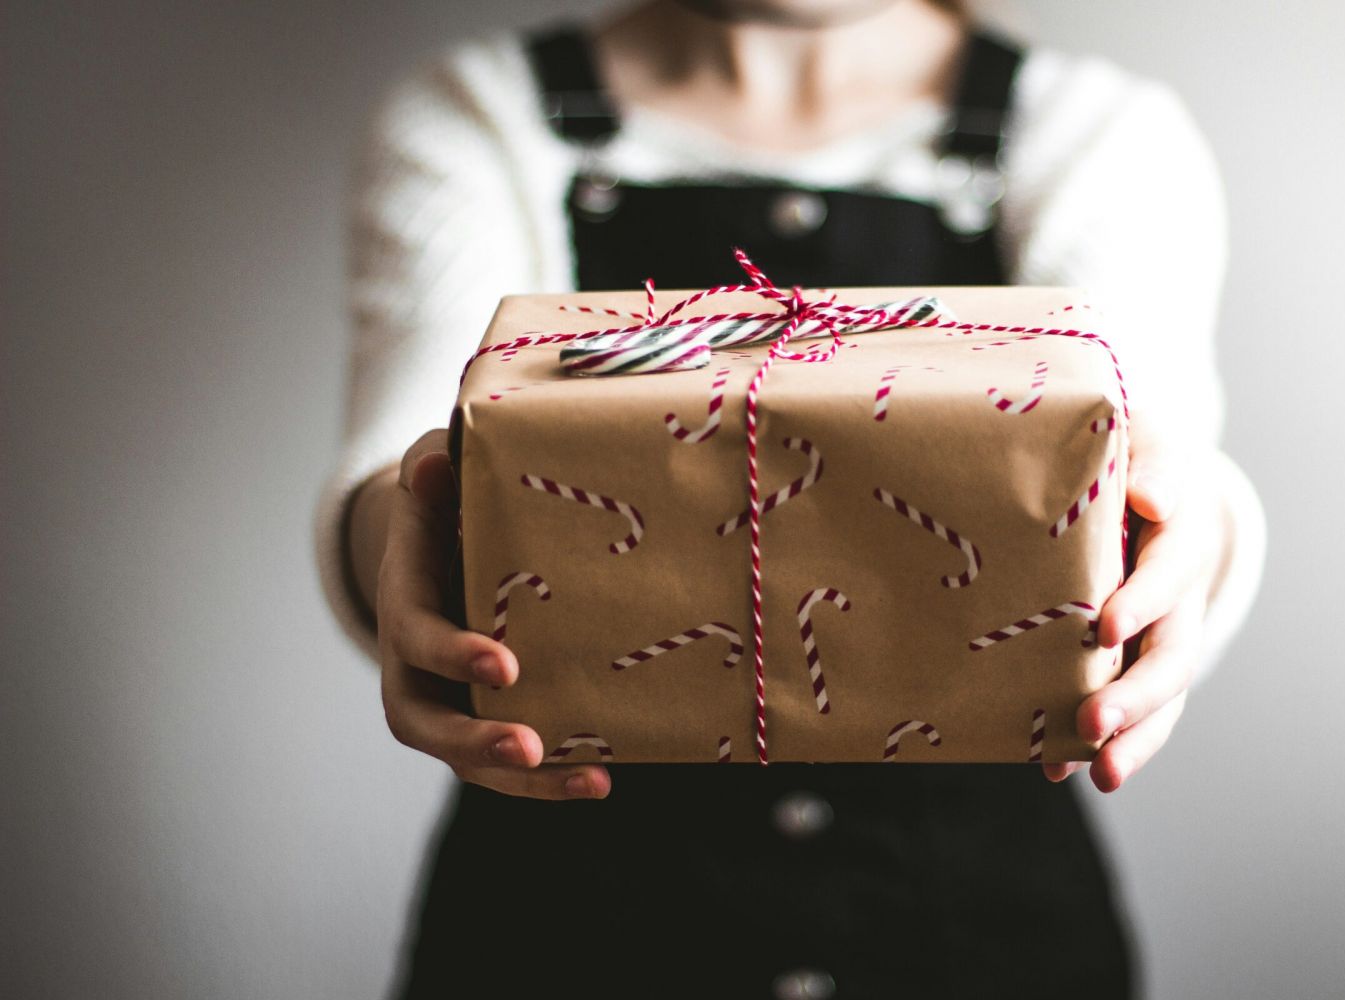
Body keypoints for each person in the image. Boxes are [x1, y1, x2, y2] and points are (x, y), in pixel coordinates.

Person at [314, 1, 1267, 996]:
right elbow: (409, 455)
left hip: (979, 934)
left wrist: (1189, 530)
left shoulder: (1091, 132)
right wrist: (402, 550)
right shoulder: (479, 117)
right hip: (565, 934)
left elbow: (1158, 452)